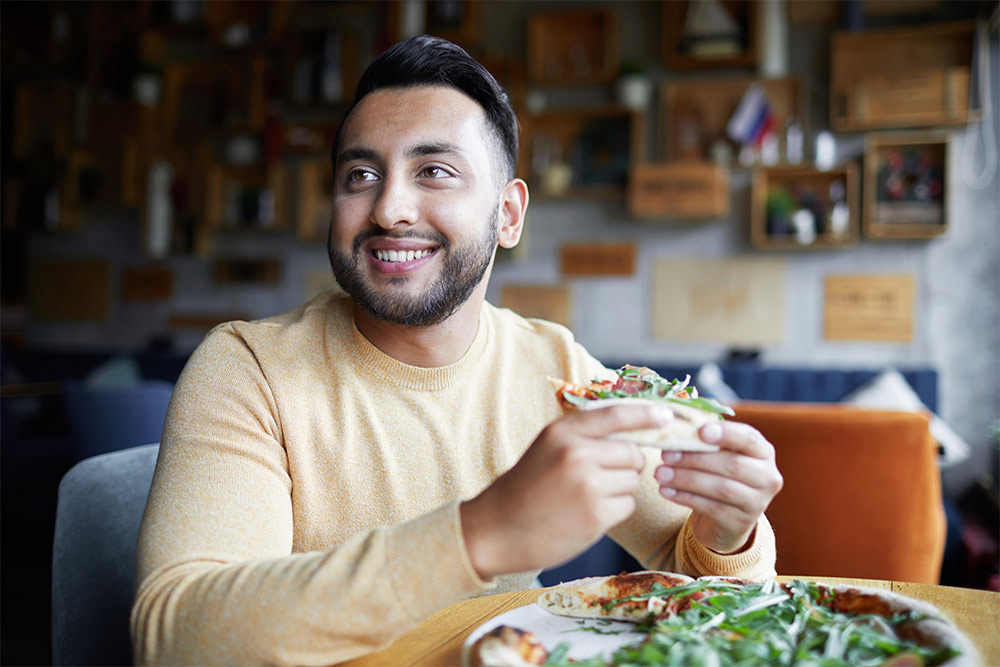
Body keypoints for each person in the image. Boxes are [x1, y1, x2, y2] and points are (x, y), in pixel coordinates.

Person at [131, 35, 783, 665]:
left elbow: (715, 595)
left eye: (434, 171)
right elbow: (175, 640)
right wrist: (479, 534)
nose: (388, 207)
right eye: (360, 175)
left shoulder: (555, 370)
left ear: (508, 214)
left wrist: (727, 535)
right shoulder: (247, 368)